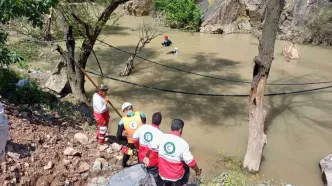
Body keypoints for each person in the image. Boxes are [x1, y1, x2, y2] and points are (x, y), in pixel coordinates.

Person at [147, 119, 201, 186]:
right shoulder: (183, 144)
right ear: (180, 130)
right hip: (176, 177)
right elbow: (191, 163)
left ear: (171, 128)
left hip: (162, 174)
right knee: (186, 165)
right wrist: (197, 171)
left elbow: (150, 147)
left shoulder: (162, 137)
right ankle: (183, 183)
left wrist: (146, 156)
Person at [133, 112, 163, 184]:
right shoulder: (161, 135)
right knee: (153, 179)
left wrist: (138, 148)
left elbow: (134, 138)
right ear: (160, 122)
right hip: (153, 162)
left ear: (152, 119)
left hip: (141, 157)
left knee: (141, 175)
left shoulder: (143, 127)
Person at [117, 102, 146, 168]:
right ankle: (140, 165)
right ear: (132, 108)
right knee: (140, 152)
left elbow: (118, 135)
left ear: (124, 111)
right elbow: (144, 123)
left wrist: (126, 138)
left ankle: (124, 164)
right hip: (141, 141)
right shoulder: (141, 114)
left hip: (131, 142)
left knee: (128, 151)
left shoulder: (122, 121)